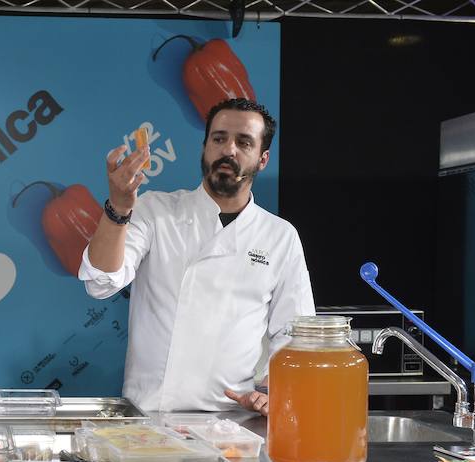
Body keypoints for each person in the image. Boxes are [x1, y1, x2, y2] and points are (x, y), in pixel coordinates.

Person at [79, 98, 314, 415]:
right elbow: (101, 282)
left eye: (244, 142)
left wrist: (272, 390)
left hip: (235, 421)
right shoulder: (155, 210)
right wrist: (119, 208)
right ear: (205, 147)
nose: (228, 150)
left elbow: (295, 332)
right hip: (148, 417)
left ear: (263, 159)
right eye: (219, 139)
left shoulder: (280, 236)